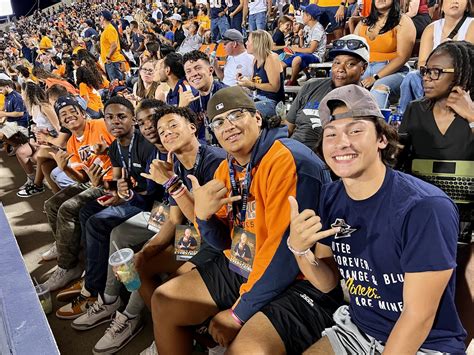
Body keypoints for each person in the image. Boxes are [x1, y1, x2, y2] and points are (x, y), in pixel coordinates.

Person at [150, 86, 342, 354]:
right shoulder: (225, 167)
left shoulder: (286, 159)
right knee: (164, 300)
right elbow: (219, 241)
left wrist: (239, 313)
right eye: (218, 122)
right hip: (246, 260)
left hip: (301, 276)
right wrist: (203, 217)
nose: (228, 126)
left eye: (236, 115)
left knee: (244, 350)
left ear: (258, 118)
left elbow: (284, 255)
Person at [291, 84, 466, 354]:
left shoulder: (425, 208)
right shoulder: (331, 196)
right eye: (331, 134)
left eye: (356, 130)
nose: (342, 143)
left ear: (382, 139)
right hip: (359, 330)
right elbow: (327, 283)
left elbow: (418, 316)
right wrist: (300, 250)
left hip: (425, 344)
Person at [54, 96, 157, 320]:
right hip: (133, 199)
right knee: (86, 212)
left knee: (97, 223)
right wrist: (104, 187)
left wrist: (123, 195)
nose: (114, 122)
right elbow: (116, 182)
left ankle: (94, 290)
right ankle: (92, 275)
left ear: (133, 120)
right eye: (109, 117)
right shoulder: (116, 146)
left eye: (121, 116)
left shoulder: (145, 145)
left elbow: (149, 193)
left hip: (148, 205)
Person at [399, 41, 473, 243]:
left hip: (468, 213)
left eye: (436, 72)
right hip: (423, 206)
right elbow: (398, 161)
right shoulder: (415, 110)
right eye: (425, 71)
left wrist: (472, 117)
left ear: (462, 74)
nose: (426, 78)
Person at [42, 96, 115, 292]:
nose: (68, 116)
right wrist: (64, 168)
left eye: (72, 111)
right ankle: (63, 243)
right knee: (51, 204)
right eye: (63, 114)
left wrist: (107, 152)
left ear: (83, 113)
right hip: (92, 182)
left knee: (68, 209)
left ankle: (68, 266)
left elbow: (124, 148)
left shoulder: (100, 125)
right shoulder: (72, 142)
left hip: (111, 182)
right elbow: (82, 179)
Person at [285, 34, 369, 150]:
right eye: (337, 62)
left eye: (350, 64)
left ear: (363, 68)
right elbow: (287, 128)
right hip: (290, 154)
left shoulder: (365, 103)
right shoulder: (311, 87)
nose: (340, 69)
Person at [398, 0, 474, 115]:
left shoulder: (472, 25)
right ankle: (404, 119)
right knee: (412, 77)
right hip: (433, 74)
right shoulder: (431, 28)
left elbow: (467, 61)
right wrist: (434, 74)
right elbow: (422, 62)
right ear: (441, 6)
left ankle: (429, 114)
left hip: (459, 77)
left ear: (468, 5)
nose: (455, 1)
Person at [354, 0, 416, 108]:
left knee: (380, 87)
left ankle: (377, 123)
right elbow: (353, 52)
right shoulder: (363, 23)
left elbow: (403, 57)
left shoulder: (403, 21)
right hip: (364, 68)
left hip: (393, 71)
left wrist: (375, 77)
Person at [17, 82, 61, 198]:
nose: (21, 94)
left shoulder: (44, 106)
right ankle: (32, 180)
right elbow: (32, 124)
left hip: (51, 140)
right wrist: (32, 138)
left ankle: (38, 185)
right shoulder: (32, 107)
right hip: (39, 139)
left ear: (28, 94)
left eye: (22, 92)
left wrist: (48, 136)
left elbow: (58, 128)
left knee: (37, 158)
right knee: (21, 152)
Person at [237, 30, 285, 119]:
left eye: (248, 41)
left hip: (273, 102)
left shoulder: (271, 58)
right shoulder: (255, 59)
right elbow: (254, 85)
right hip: (258, 99)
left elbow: (274, 87)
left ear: (257, 43)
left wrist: (252, 84)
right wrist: (245, 82)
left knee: (244, 115)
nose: (246, 43)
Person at [182, 50, 228, 142]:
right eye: (189, 71)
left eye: (198, 68)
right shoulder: (193, 101)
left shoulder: (225, 94)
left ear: (210, 70)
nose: (194, 74)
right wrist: (181, 108)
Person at [282, 5, 327, 86]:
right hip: (306, 54)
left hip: (316, 56)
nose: (302, 16)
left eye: (304, 14)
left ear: (309, 16)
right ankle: (280, 84)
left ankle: (292, 81)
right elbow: (304, 47)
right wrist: (301, 37)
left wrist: (295, 49)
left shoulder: (318, 29)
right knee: (282, 64)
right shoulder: (307, 27)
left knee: (297, 59)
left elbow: (311, 50)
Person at [100, 10, 126, 82]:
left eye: (101, 17)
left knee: (117, 85)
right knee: (113, 85)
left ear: (104, 18)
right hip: (110, 61)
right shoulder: (107, 29)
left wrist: (108, 57)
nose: (100, 18)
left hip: (112, 60)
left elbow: (114, 45)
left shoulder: (110, 29)